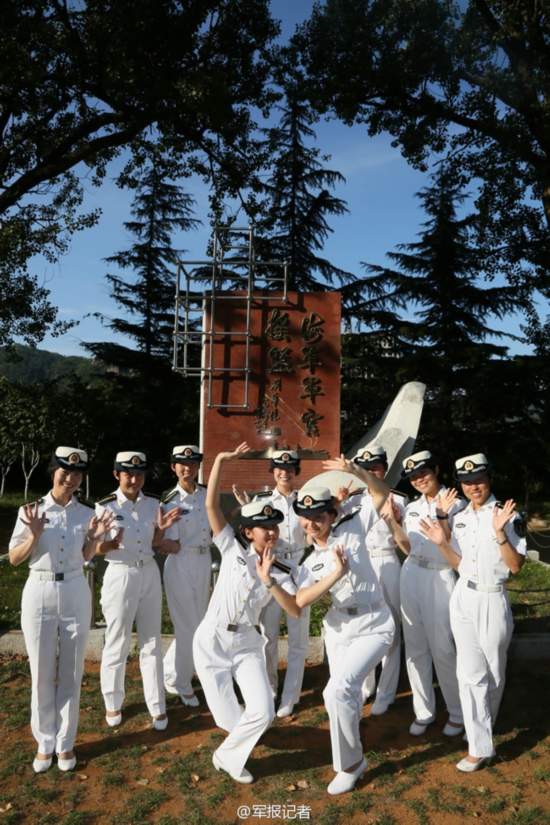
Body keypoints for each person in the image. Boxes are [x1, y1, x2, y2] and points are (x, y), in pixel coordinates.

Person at [193, 442, 301, 784]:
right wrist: (220, 460)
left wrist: (269, 581)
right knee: (230, 721)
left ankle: (225, 757)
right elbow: (211, 505)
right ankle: (234, 742)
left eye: (275, 527)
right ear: (247, 531)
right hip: (212, 641)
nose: (271, 532)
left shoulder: (281, 570)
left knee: (264, 712)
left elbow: (294, 608)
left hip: (247, 645)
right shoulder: (231, 548)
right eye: (264, 526)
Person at [9, 447, 114, 773]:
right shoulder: (31, 510)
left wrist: (94, 539)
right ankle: (44, 743)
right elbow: (14, 558)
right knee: (41, 671)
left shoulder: (87, 513)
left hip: (74, 588)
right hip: (39, 589)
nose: (70, 479)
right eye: (65, 472)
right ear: (53, 471)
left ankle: (65, 742)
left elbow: (85, 556)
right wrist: (34, 535)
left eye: (77, 474)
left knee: (72, 670)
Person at [420, 453, 526, 772]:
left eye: (478, 479)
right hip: (463, 597)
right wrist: (442, 542)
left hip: (492, 599)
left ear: (489, 478)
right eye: (466, 482)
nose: (473, 487)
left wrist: (500, 534)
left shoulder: (507, 514)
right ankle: (479, 744)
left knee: (493, 673)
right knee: (468, 673)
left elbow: (515, 566)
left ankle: (483, 726)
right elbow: (459, 563)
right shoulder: (461, 516)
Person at [295, 466, 395, 796]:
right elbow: (300, 600)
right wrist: (335, 576)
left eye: (318, 517)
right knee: (344, 694)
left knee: (335, 692)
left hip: (374, 623)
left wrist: (356, 471)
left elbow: (381, 493)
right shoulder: (308, 559)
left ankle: (350, 765)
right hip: (339, 627)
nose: (311, 524)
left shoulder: (353, 525)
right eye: (305, 518)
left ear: (331, 515)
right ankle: (352, 750)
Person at [95, 451, 180, 731]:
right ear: (116, 474)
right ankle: (113, 701)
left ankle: (156, 704)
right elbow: (95, 548)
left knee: (152, 641)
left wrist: (161, 531)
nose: (134, 480)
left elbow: (155, 543)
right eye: (128, 474)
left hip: (149, 572)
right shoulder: (104, 506)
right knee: (117, 640)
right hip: (120, 573)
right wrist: (109, 544)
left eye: (139, 475)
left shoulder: (153, 504)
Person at [383, 450, 464, 737]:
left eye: (423, 473)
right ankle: (424, 711)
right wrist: (394, 522)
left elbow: (456, 547)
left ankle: (457, 712)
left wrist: (442, 516)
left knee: (443, 647)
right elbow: (407, 547)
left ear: (436, 470)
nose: (419, 479)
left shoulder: (456, 503)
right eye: (413, 476)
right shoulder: (413, 507)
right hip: (411, 573)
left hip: (439, 576)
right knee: (415, 647)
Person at [233, 448, 308, 718]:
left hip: (299, 568)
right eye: (279, 468)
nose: (284, 473)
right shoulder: (262, 500)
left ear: (295, 471)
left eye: (289, 468)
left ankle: (290, 696)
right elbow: (251, 533)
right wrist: (246, 507)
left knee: (299, 638)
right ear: (273, 471)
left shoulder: (304, 500)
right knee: (269, 635)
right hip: (272, 568)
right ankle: (270, 689)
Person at [337, 445, 407, 715]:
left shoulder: (399, 499)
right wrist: (338, 503)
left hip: (387, 561)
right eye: (366, 468)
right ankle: (366, 686)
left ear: (384, 468)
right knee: (364, 626)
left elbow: (407, 541)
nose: (371, 472)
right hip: (361, 566)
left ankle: (386, 693)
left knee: (391, 629)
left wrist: (396, 520)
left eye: (376, 467)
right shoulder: (352, 499)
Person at [162, 445, 212, 707]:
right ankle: (182, 682)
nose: (187, 468)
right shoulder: (170, 500)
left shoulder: (205, 494)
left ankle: (170, 670)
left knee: (199, 622)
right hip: (180, 562)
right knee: (186, 626)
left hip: (204, 560)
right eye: (182, 464)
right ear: (174, 467)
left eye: (192, 464)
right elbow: (165, 542)